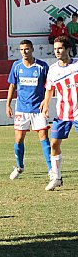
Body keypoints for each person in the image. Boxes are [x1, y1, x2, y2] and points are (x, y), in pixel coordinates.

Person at [5, 39, 51, 180]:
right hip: (21, 109)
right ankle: (19, 167)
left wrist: (45, 102)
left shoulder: (42, 66)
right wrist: (8, 104)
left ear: (32, 49)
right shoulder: (16, 66)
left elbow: (49, 86)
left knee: (43, 137)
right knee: (19, 139)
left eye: (26, 49)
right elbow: (12, 86)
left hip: (38, 109)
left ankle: (51, 169)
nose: (24, 52)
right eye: (21, 50)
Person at [41, 36, 78, 191]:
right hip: (62, 113)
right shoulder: (53, 69)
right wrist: (45, 104)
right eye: (55, 49)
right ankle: (56, 177)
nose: (57, 51)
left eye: (60, 48)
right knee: (54, 144)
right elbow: (50, 88)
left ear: (68, 49)